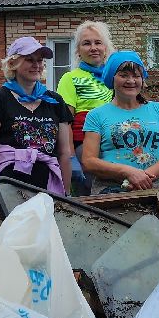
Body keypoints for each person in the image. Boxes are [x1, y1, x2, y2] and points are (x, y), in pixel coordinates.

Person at [0, 36, 74, 195]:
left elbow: (64, 153)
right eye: (29, 60)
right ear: (12, 63)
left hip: (47, 186)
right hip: (9, 184)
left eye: (40, 60)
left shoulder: (55, 101)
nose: (36, 65)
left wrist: (67, 195)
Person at [81, 51, 159, 195]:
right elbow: (88, 161)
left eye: (136, 76)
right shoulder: (96, 115)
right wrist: (127, 172)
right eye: (124, 75)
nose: (131, 81)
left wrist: (142, 177)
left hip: (150, 187)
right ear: (111, 78)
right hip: (108, 190)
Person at [55, 20, 114, 196]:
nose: (93, 47)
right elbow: (64, 121)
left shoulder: (114, 77)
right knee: (92, 195)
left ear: (106, 47)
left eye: (98, 42)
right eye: (86, 43)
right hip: (86, 145)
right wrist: (70, 156)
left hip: (115, 143)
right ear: (78, 50)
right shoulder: (70, 78)